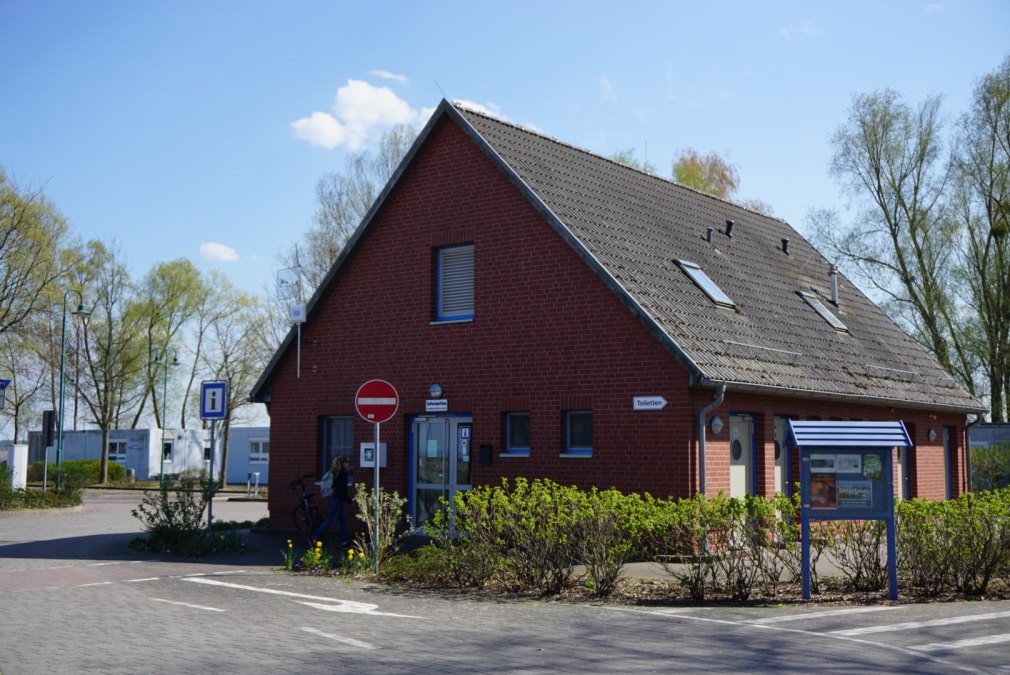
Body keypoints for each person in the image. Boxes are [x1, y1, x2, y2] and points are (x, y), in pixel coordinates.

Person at [313, 456, 352, 546]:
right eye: (347, 462)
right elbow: (342, 490)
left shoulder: (335, 473)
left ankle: (343, 541)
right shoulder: (341, 474)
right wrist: (349, 500)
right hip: (336, 500)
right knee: (331, 521)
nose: (348, 464)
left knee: (343, 521)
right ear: (343, 463)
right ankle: (315, 536)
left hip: (335, 499)